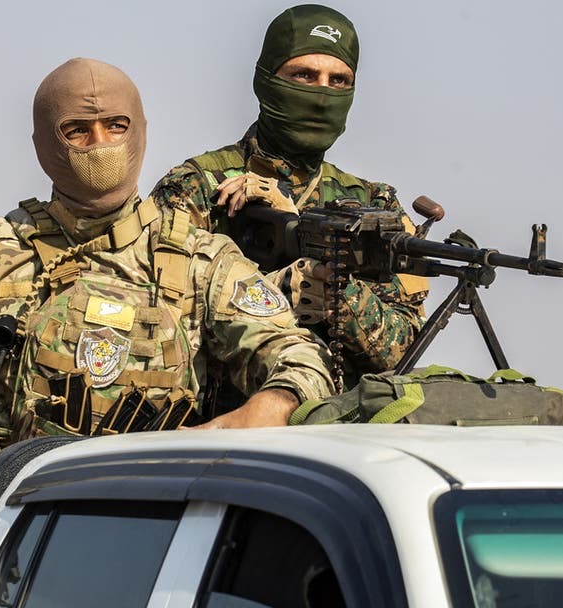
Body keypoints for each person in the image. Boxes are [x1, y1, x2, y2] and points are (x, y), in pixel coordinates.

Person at [0, 58, 335, 476]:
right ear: (44, 142)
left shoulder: (202, 261)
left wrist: (263, 410)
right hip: (10, 518)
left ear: (139, 131)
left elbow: (301, 359)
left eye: (116, 126)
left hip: (159, 513)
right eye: (77, 130)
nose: (100, 144)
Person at [150, 4, 428, 392]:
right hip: (226, 421)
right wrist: (270, 292)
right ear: (266, 80)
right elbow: (154, 323)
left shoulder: (374, 204)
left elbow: (406, 350)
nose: (321, 95)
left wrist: (338, 294)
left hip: (342, 423)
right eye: (304, 75)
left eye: (338, 81)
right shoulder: (197, 187)